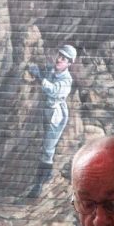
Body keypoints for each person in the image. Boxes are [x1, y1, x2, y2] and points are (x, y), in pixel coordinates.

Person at [27, 44, 76, 190]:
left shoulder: (67, 80)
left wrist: (39, 77)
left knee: (48, 148)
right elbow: (44, 69)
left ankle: (39, 184)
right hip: (45, 109)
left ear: (69, 63)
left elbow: (54, 90)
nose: (60, 59)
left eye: (64, 58)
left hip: (56, 115)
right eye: (60, 56)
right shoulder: (52, 69)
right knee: (38, 143)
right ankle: (44, 175)